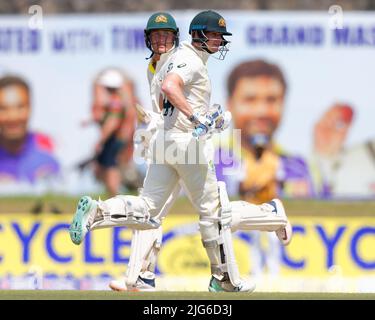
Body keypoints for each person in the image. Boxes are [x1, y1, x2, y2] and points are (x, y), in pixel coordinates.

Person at [69, 10, 292, 293]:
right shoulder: (188, 60)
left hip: (166, 143)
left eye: (220, 37)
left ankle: (97, 212)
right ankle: (225, 277)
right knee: (214, 214)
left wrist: (208, 116)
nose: (218, 41)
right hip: (187, 145)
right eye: (213, 35)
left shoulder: (172, 59)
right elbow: (170, 87)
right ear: (197, 34)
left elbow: (170, 97)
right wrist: (197, 118)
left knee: (149, 209)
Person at [215, 60, 311, 276]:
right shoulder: (208, 159)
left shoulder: (300, 166)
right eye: (250, 100)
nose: (261, 111)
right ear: (229, 103)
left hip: (289, 270)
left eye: (271, 100)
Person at [108, 12, 182, 292]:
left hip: (189, 148)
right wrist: (152, 123)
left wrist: (156, 122)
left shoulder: (179, 64)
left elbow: (182, 106)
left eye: (165, 35)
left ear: (174, 37)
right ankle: (142, 276)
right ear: (148, 39)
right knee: (151, 211)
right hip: (166, 149)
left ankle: (270, 215)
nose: (161, 40)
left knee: (214, 213)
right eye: (155, 36)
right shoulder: (152, 66)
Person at [0, 75, 60, 207]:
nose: (13, 117)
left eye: (20, 107)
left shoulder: (49, 159)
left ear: (30, 107)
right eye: (3, 108)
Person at [90, 67, 138, 196]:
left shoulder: (115, 101)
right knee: (108, 165)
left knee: (110, 166)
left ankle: (114, 197)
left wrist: (101, 140)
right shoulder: (119, 99)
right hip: (117, 138)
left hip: (113, 138)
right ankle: (114, 196)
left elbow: (113, 123)